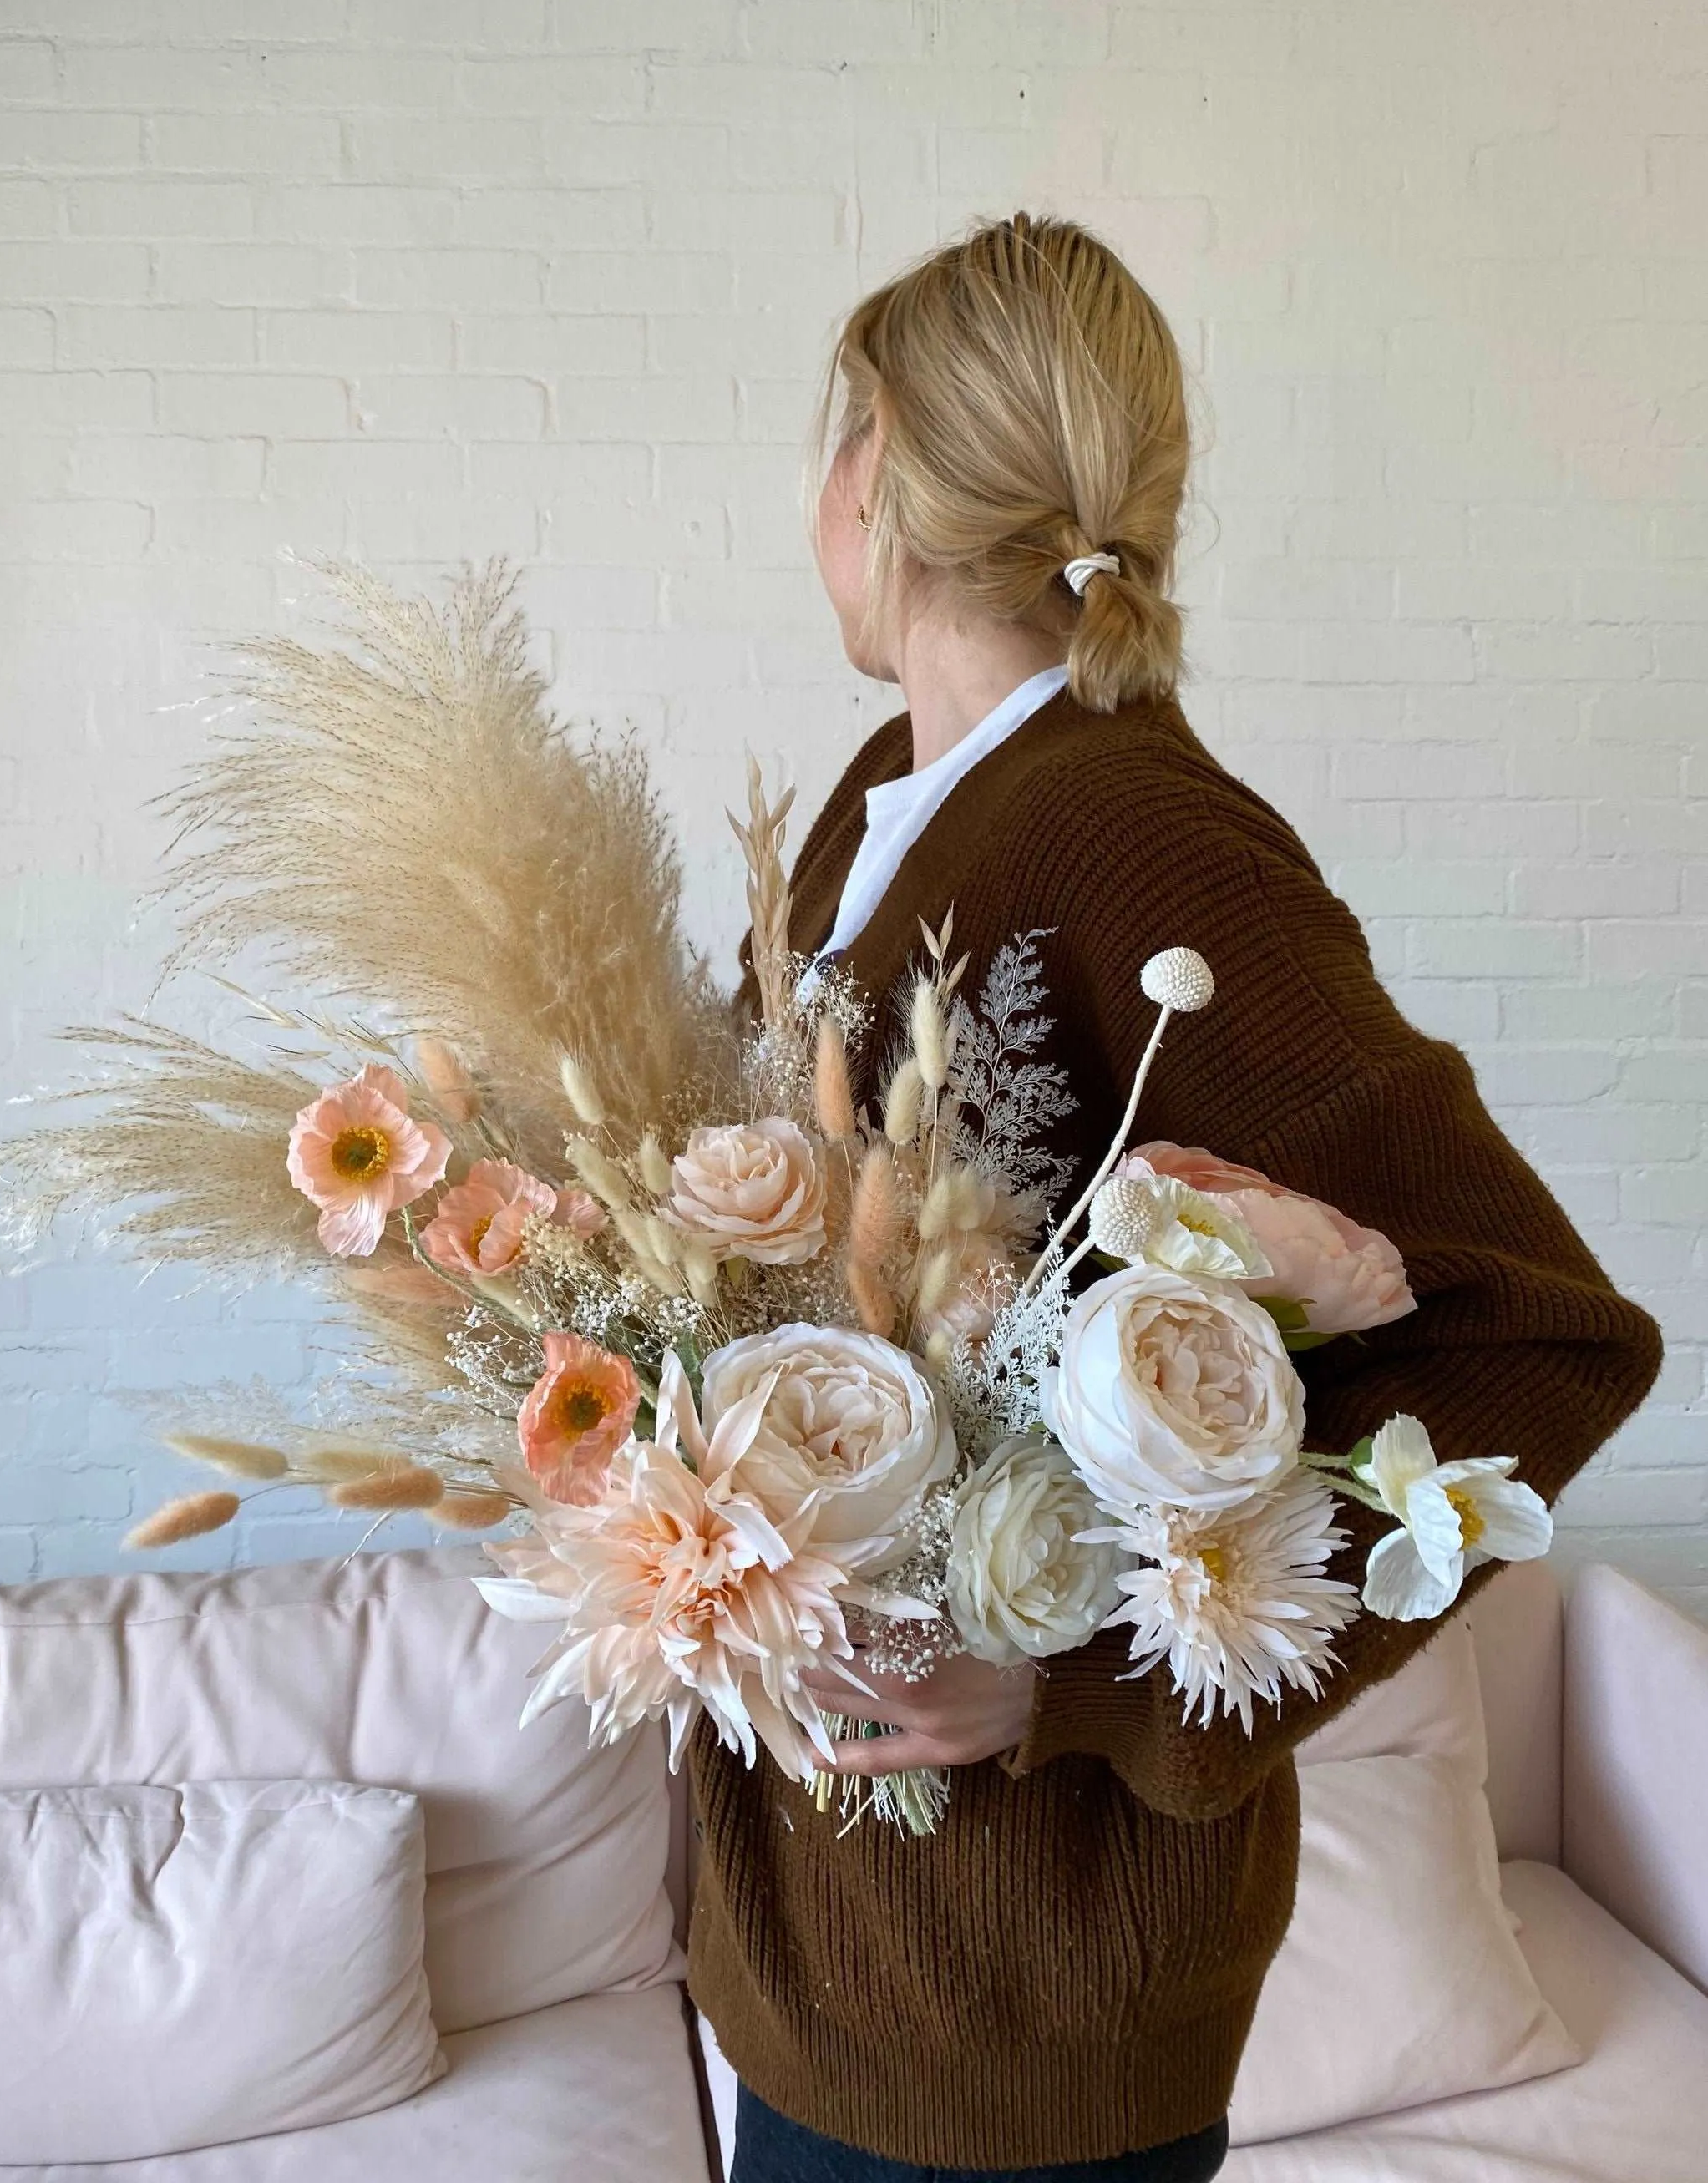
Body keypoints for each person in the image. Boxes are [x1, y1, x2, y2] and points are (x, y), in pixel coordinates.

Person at [687, 212, 1663, 2183]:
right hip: (832, 1946)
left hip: (1018, 2011)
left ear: (870, 464)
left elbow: (1541, 1334)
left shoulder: (1151, 836)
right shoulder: (888, 798)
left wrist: (1083, 1667)